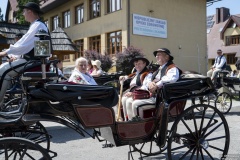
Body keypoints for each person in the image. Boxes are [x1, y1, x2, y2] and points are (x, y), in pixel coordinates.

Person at [0, 2, 49, 108]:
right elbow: (27, 45)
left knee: (3, 70)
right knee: (4, 69)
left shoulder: (37, 25)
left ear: (30, 11)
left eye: (24, 11)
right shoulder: (37, 24)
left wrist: (5, 52)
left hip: (34, 62)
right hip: (35, 60)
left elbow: (24, 44)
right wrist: (15, 56)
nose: (23, 14)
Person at [130, 48, 181, 120]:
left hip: (161, 99)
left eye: (159, 55)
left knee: (135, 104)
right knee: (129, 100)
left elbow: (171, 79)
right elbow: (152, 81)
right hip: (154, 96)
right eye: (156, 55)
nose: (156, 57)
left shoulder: (172, 68)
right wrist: (151, 83)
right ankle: (132, 123)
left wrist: (156, 85)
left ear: (167, 57)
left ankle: (140, 126)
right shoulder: (159, 69)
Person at [119, 56, 152, 121]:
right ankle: (125, 119)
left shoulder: (148, 74)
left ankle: (133, 122)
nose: (137, 66)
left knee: (127, 101)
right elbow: (128, 77)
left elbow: (145, 86)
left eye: (139, 63)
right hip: (133, 93)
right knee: (121, 98)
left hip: (142, 94)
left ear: (144, 64)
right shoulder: (136, 74)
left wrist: (133, 93)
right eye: (136, 64)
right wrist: (123, 77)